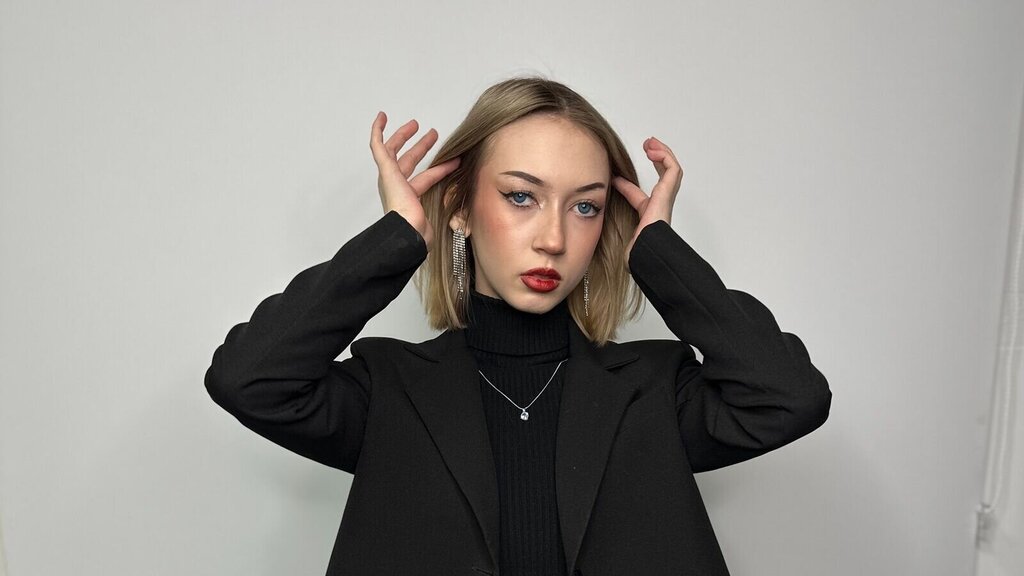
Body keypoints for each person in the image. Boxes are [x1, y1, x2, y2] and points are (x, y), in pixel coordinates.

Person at [204, 77, 832, 576]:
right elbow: (248, 379)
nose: (553, 238)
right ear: (460, 208)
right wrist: (397, 236)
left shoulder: (655, 391)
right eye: (521, 196)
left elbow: (791, 397)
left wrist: (659, 253)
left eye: (584, 206)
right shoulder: (389, 391)